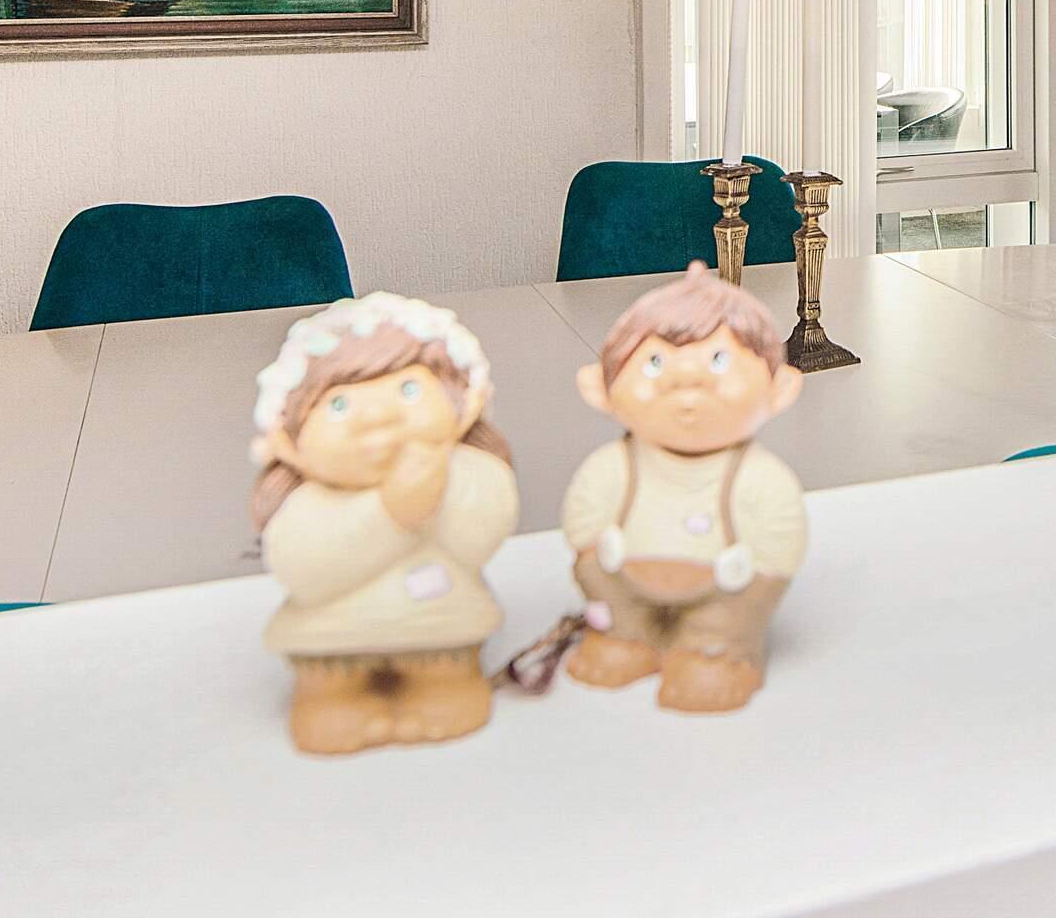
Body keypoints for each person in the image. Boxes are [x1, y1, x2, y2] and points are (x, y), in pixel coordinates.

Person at [249, 293, 519, 755]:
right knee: (331, 690)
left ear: (466, 405)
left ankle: (444, 688)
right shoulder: (307, 503)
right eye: (339, 405)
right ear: (289, 442)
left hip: (443, 625)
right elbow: (302, 573)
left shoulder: (471, 473)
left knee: (445, 676)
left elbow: (481, 540)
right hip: (333, 638)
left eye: (409, 391)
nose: (378, 419)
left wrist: (439, 492)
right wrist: (388, 513)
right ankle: (334, 700)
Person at [562, 263, 807, 713]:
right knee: (613, 606)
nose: (687, 379)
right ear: (600, 388)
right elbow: (584, 516)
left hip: (726, 594)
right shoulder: (614, 467)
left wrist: (763, 575)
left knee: (720, 630)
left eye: (718, 360)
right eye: (656, 363)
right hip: (622, 585)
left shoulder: (758, 477)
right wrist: (590, 551)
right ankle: (627, 636)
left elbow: (780, 536)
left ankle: (717, 651)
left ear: (779, 389)